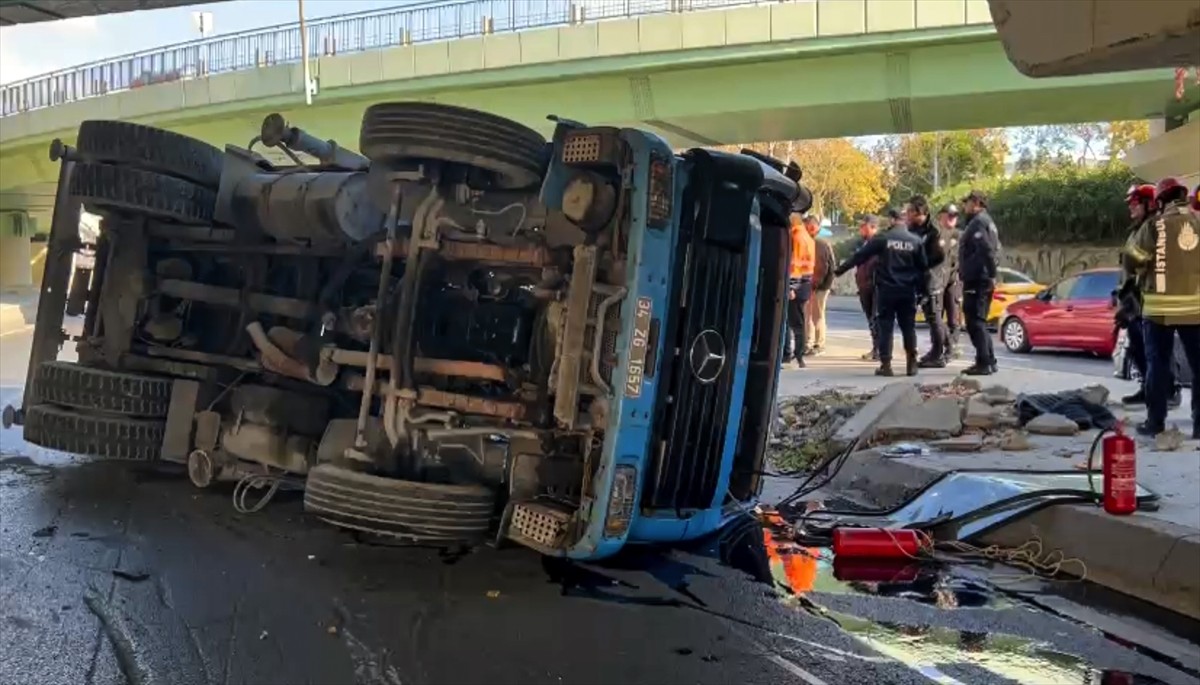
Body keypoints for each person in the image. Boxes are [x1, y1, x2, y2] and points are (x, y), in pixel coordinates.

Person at [1122, 177, 1200, 439]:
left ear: (1160, 200)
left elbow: (1132, 261)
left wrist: (1147, 268)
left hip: (1158, 310)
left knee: (1157, 364)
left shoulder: (1156, 225)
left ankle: (1155, 423)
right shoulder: (1198, 223)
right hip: (1195, 309)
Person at [834, 214, 928, 377]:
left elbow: (860, 256)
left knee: (886, 327)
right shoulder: (916, 241)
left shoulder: (883, 238)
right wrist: (924, 292)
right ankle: (911, 364)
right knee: (908, 328)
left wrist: (839, 270)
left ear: (892, 221)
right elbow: (924, 269)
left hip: (887, 290)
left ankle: (886, 364)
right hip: (907, 291)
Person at [1116, 184, 1182, 408]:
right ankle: (1149, 389)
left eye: (1135, 203)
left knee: (1156, 350)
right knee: (1137, 348)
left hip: (1148, 297)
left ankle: (1169, 392)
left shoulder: (1156, 228)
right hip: (1134, 297)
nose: (1131, 208)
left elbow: (1144, 263)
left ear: (1150, 203)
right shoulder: (1138, 229)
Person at [958, 190, 1001, 376]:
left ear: (976, 203)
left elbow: (986, 250)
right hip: (981, 277)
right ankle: (988, 360)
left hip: (978, 279)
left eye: (967, 202)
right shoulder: (987, 221)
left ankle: (984, 362)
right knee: (979, 321)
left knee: (975, 321)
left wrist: (991, 275)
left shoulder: (978, 222)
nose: (964, 206)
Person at [906, 196, 950, 368]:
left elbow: (939, 256)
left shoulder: (934, 231)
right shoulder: (913, 229)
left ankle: (938, 354)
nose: (907, 214)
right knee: (931, 318)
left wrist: (920, 262)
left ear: (919, 213)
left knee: (934, 317)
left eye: (910, 211)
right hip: (917, 280)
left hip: (932, 279)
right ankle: (939, 349)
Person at [784, 212, 816, 369]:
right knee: (799, 321)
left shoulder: (796, 238)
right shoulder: (808, 238)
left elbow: (794, 265)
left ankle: (795, 355)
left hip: (796, 286)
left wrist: (791, 286)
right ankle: (797, 354)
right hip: (805, 285)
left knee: (793, 324)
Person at [936, 204, 964, 360]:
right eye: (949, 215)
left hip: (954, 281)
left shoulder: (960, 236)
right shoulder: (935, 234)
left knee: (953, 319)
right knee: (936, 317)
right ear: (941, 216)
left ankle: (951, 348)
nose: (952, 218)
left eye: (955, 216)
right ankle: (939, 348)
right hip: (938, 281)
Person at [806, 216, 836, 356]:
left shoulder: (819, 243)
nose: (809, 229)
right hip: (816, 284)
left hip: (819, 285)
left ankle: (818, 344)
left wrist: (816, 284)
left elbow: (823, 266)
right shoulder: (819, 242)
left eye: (811, 226)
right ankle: (810, 342)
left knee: (816, 315)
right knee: (811, 314)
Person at [854, 215, 882, 360]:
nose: (860, 229)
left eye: (863, 226)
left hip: (875, 287)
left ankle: (879, 350)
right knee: (871, 319)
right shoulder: (863, 244)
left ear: (873, 227)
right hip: (864, 286)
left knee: (876, 318)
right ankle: (875, 347)